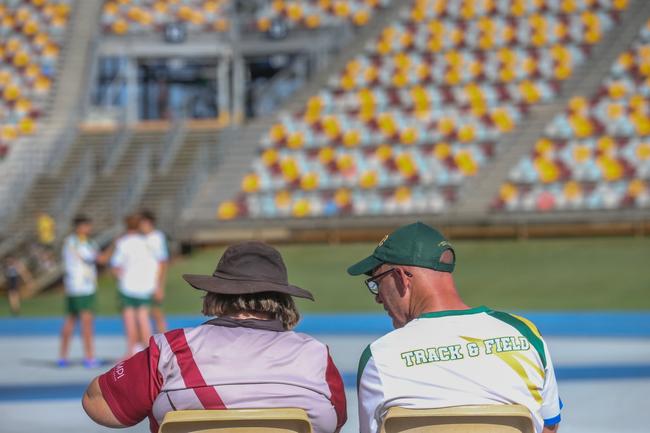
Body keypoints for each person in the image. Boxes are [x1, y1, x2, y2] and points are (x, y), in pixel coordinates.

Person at [82, 241, 347, 433]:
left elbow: (99, 405)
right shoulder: (315, 355)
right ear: (283, 300)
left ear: (216, 294)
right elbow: (336, 422)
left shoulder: (173, 350)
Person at [347, 222, 562, 433]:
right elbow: (549, 425)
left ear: (401, 277)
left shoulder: (379, 358)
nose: (378, 297)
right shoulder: (524, 334)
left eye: (377, 282)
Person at [59, 215, 109, 368]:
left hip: (74, 287)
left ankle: (63, 357)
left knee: (71, 320)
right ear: (79, 226)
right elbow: (100, 259)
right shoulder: (78, 242)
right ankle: (89, 357)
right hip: (83, 287)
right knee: (87, 323)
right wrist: (115, 246)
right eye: (87, 225)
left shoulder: (72, 241)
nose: (89, 228)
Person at [110, 214, 160, 357]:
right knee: (144, 319)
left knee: (130, 321)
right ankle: (150, 352)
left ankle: (131, 352)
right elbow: (154, 265)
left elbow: (115, 266)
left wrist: (121, 277)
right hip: (145, 285)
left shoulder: (123, 242)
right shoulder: (147, 242)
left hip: (128, 286)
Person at [139, 210, 169, 333]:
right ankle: (142, 343)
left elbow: (163, 263)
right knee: (142, 314)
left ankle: (164, 339)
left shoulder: (157, 237)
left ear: (149, 223)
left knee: (156, 312)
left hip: (153, 281)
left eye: (142, 223)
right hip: (140, 281)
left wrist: (160, 286)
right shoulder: (139, 238)